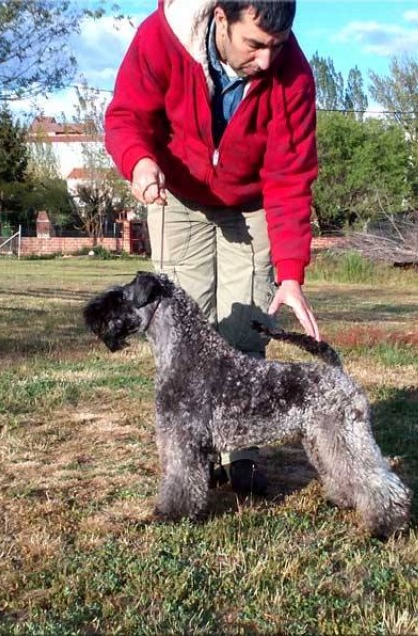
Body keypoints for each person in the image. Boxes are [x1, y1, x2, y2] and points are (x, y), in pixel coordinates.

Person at [104, 0, 319, 495]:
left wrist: (289, 272)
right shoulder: (161, 38)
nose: (267, 61)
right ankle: (189, 456)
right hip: (176, 194)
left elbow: (290, 177)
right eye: (256, 44)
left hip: (253, 202)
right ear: (221, 17)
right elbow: (126, 115)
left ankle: (243, 456)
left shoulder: (293, 76)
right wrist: (139, 162)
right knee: (184, 326)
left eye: (278, 47)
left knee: (245, 329)